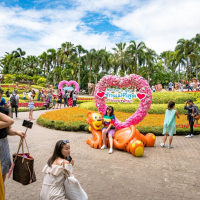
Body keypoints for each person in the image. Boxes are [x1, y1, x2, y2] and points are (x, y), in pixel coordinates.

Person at [0, 108, 25, 194]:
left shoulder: (4, 111)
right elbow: (10, 121)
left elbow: (7, 130)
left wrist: (17, 132)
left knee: (1, 180)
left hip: (2, 146)